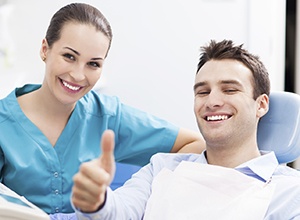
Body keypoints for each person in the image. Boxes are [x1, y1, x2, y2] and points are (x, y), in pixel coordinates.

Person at [0, 2, 205, 216]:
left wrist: (138, 194)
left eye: (93, 64)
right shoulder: (3, 122)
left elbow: (195, 144)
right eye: (69, 56)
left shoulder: (108, 116)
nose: (79, 75)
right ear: (45, 49)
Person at [70, 39, 300, 220]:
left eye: (229, 90)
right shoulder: (161, 168)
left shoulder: (289, 192)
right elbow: (120, 211)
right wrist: (97, 202)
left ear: (261, 105)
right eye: (202, 92)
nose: (212, 101)